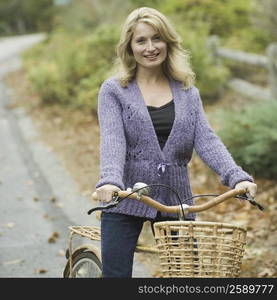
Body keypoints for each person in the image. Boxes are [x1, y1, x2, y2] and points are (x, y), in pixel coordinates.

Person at [94, 7, 257, 278]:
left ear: (168, 42)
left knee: (187, 278)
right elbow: (112, 139)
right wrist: (110, 180)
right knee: (116, 278)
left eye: (156, 38)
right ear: (129, 47)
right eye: (141, 40)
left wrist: (236, 176)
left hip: (175, 197)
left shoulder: (187, 91)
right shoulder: (114, 90)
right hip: (124, 195)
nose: (150, 47)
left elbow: (206, 139)